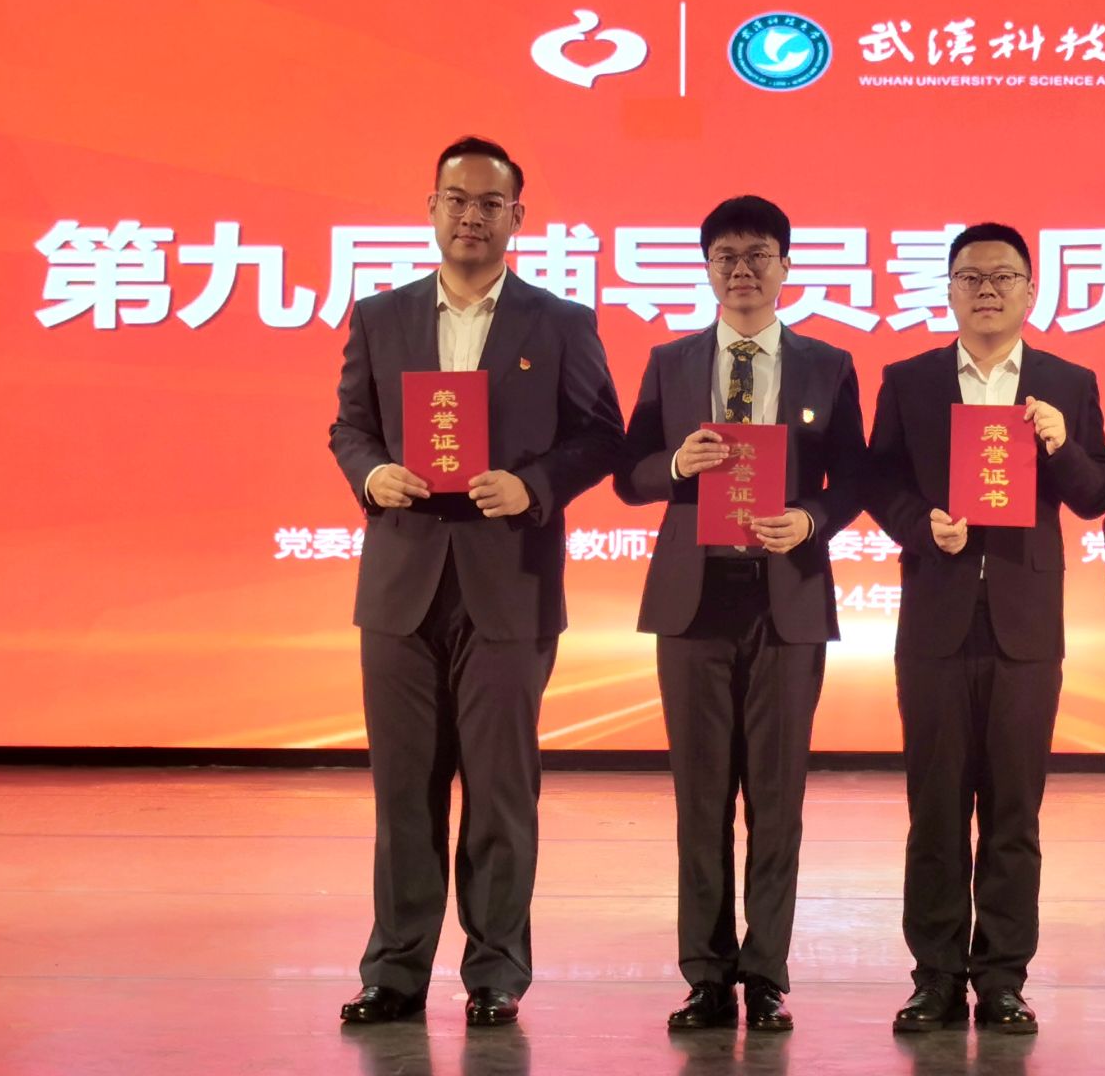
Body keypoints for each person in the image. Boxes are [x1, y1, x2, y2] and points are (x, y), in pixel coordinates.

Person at [328, 136, 623, 1026]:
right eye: (456, 199)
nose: (471, 216)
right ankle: (395, 971)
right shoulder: (381, 317)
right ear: (431, 208)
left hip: (509, 582)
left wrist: (533, 486)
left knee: (499, 791)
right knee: (403, 790)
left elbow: (600, 436)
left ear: (516, 217)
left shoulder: (559, 322)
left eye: (490, 203)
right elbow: (350, 427)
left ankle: (496, 972)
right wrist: (373, 473)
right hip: (402, 585)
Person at [613, 195, 868, 1032]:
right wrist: (675, 465)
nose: (743, 271)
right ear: (707, 269)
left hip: (785, 598)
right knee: (700, 799)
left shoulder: (828, 365)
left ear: (787, 266)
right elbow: (628, 475)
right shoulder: (672, 361)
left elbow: (854, 478)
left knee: (776, 798)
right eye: (726, 257)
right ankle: (704, 974)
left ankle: (765, 976)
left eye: (759, 255)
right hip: (694, 602)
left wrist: (811, 519)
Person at [865, 223, 1105, 1034]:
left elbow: (1096, 494)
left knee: (1013, 811)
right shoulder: (910, 380)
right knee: (935, 808)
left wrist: (1061, 444)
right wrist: (920, 526)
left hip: (1025, 625)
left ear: (1031, 290)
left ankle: (1002, 977)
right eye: (970, 277)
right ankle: (935, 976)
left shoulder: (1067, 383)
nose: (987, 291)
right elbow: (879, 481)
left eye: (1004, 277)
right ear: (948, 289)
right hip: (935, 620)